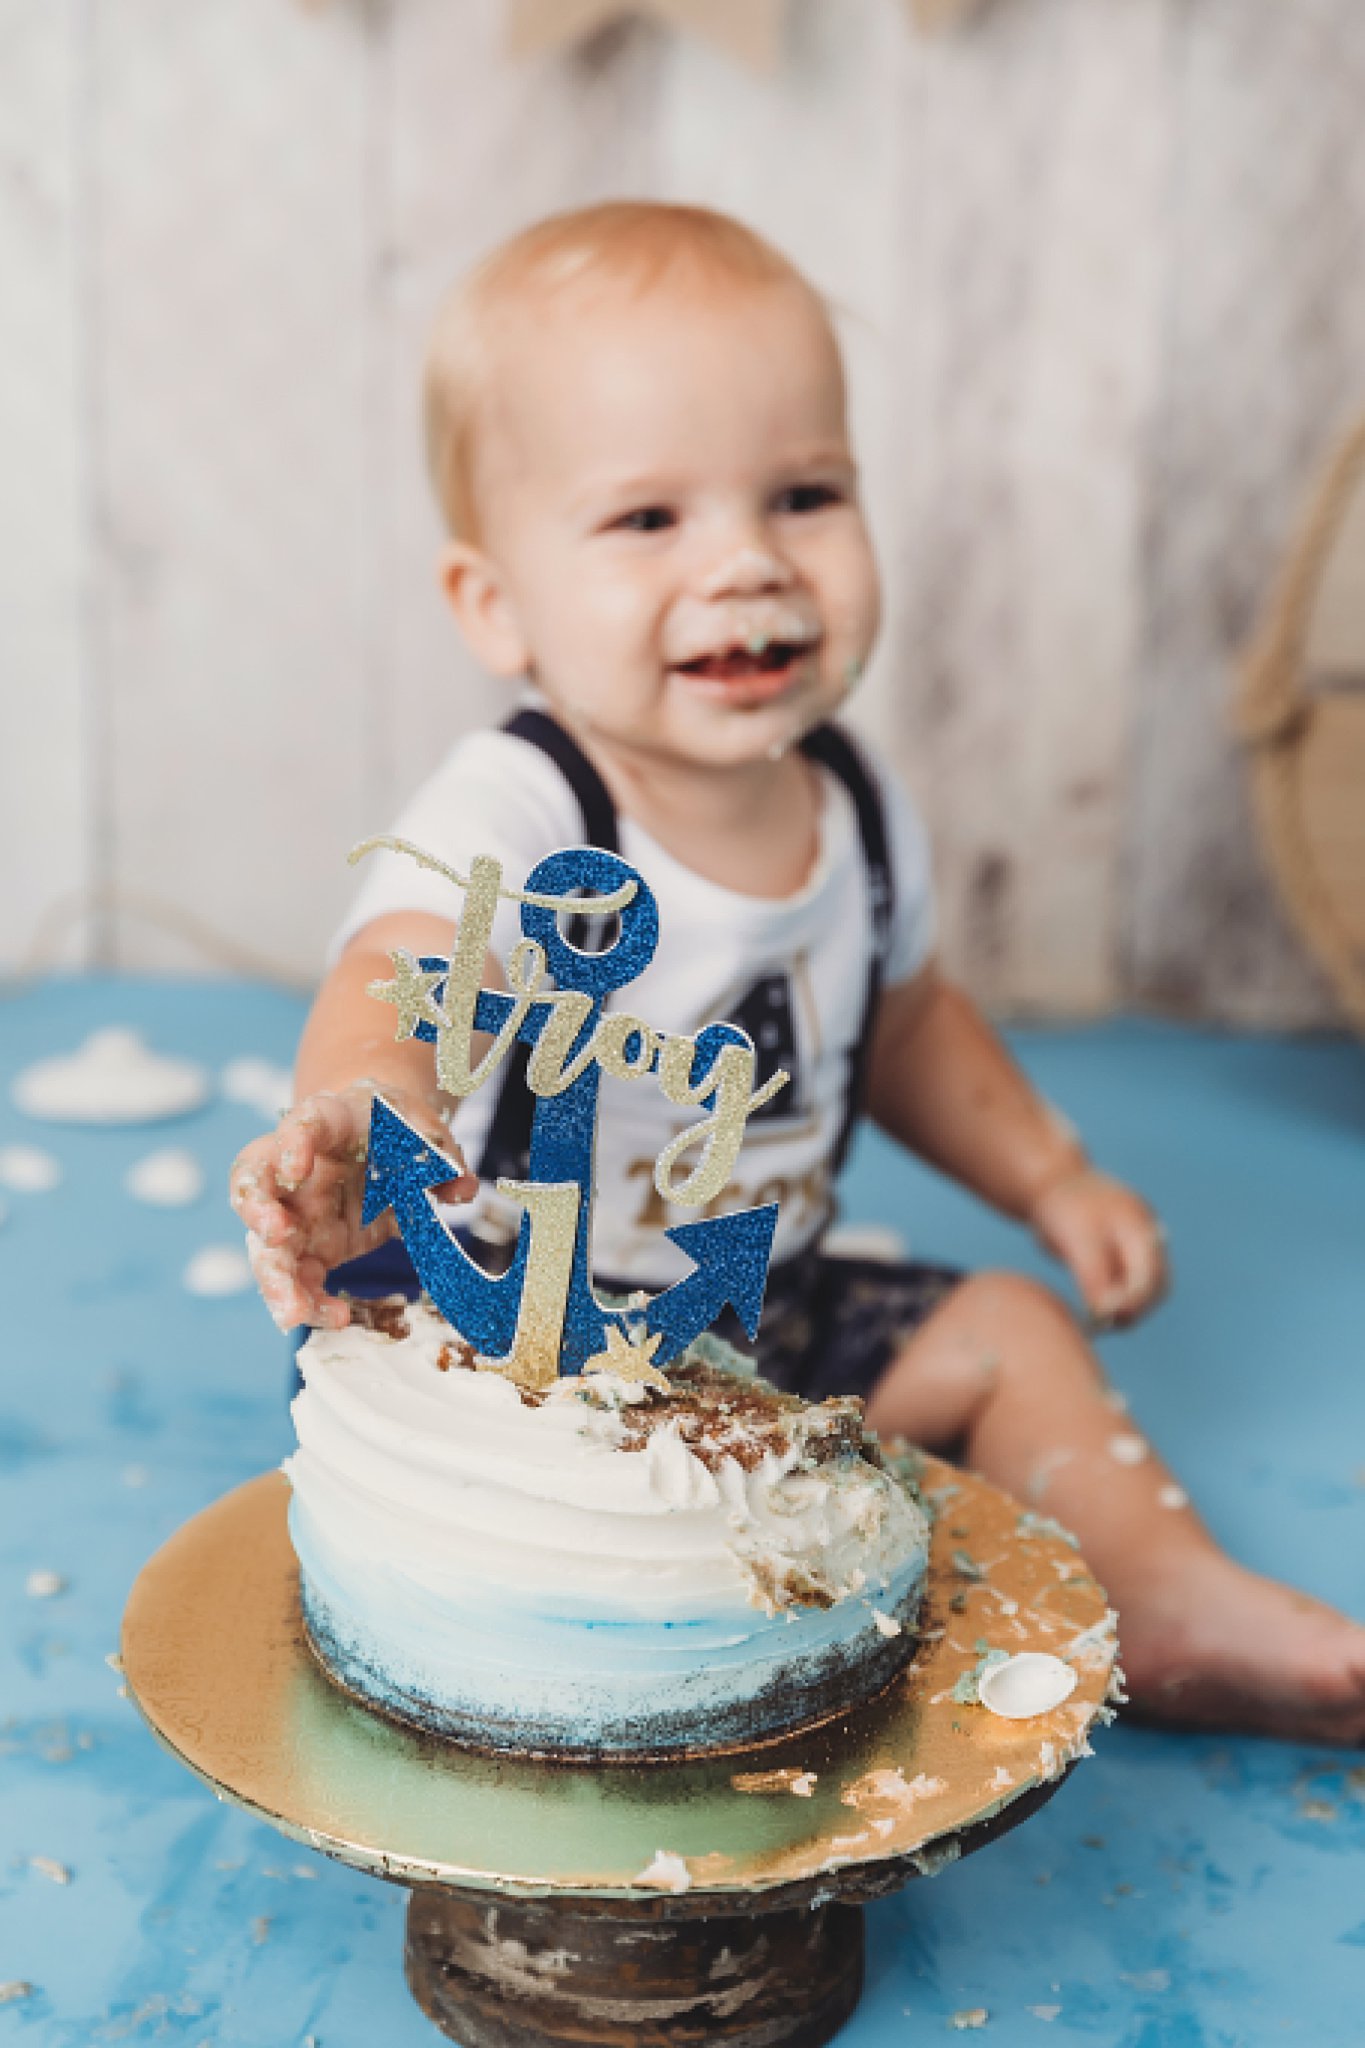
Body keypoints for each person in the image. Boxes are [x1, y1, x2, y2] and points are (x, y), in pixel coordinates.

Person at [230, 201, 1365, 1745]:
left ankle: (1157, 1589)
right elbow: (402, 965)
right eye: (649, 521)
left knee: (1014, 1337)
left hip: (763, 1327)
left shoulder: (855, 804)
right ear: (494, 604)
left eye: (803, 494)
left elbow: (905, 1027)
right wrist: (371, 1110)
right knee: (522, 1537)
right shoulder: (532, 807)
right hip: (522, 1351)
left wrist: (1049, 1174)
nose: (748, 562)